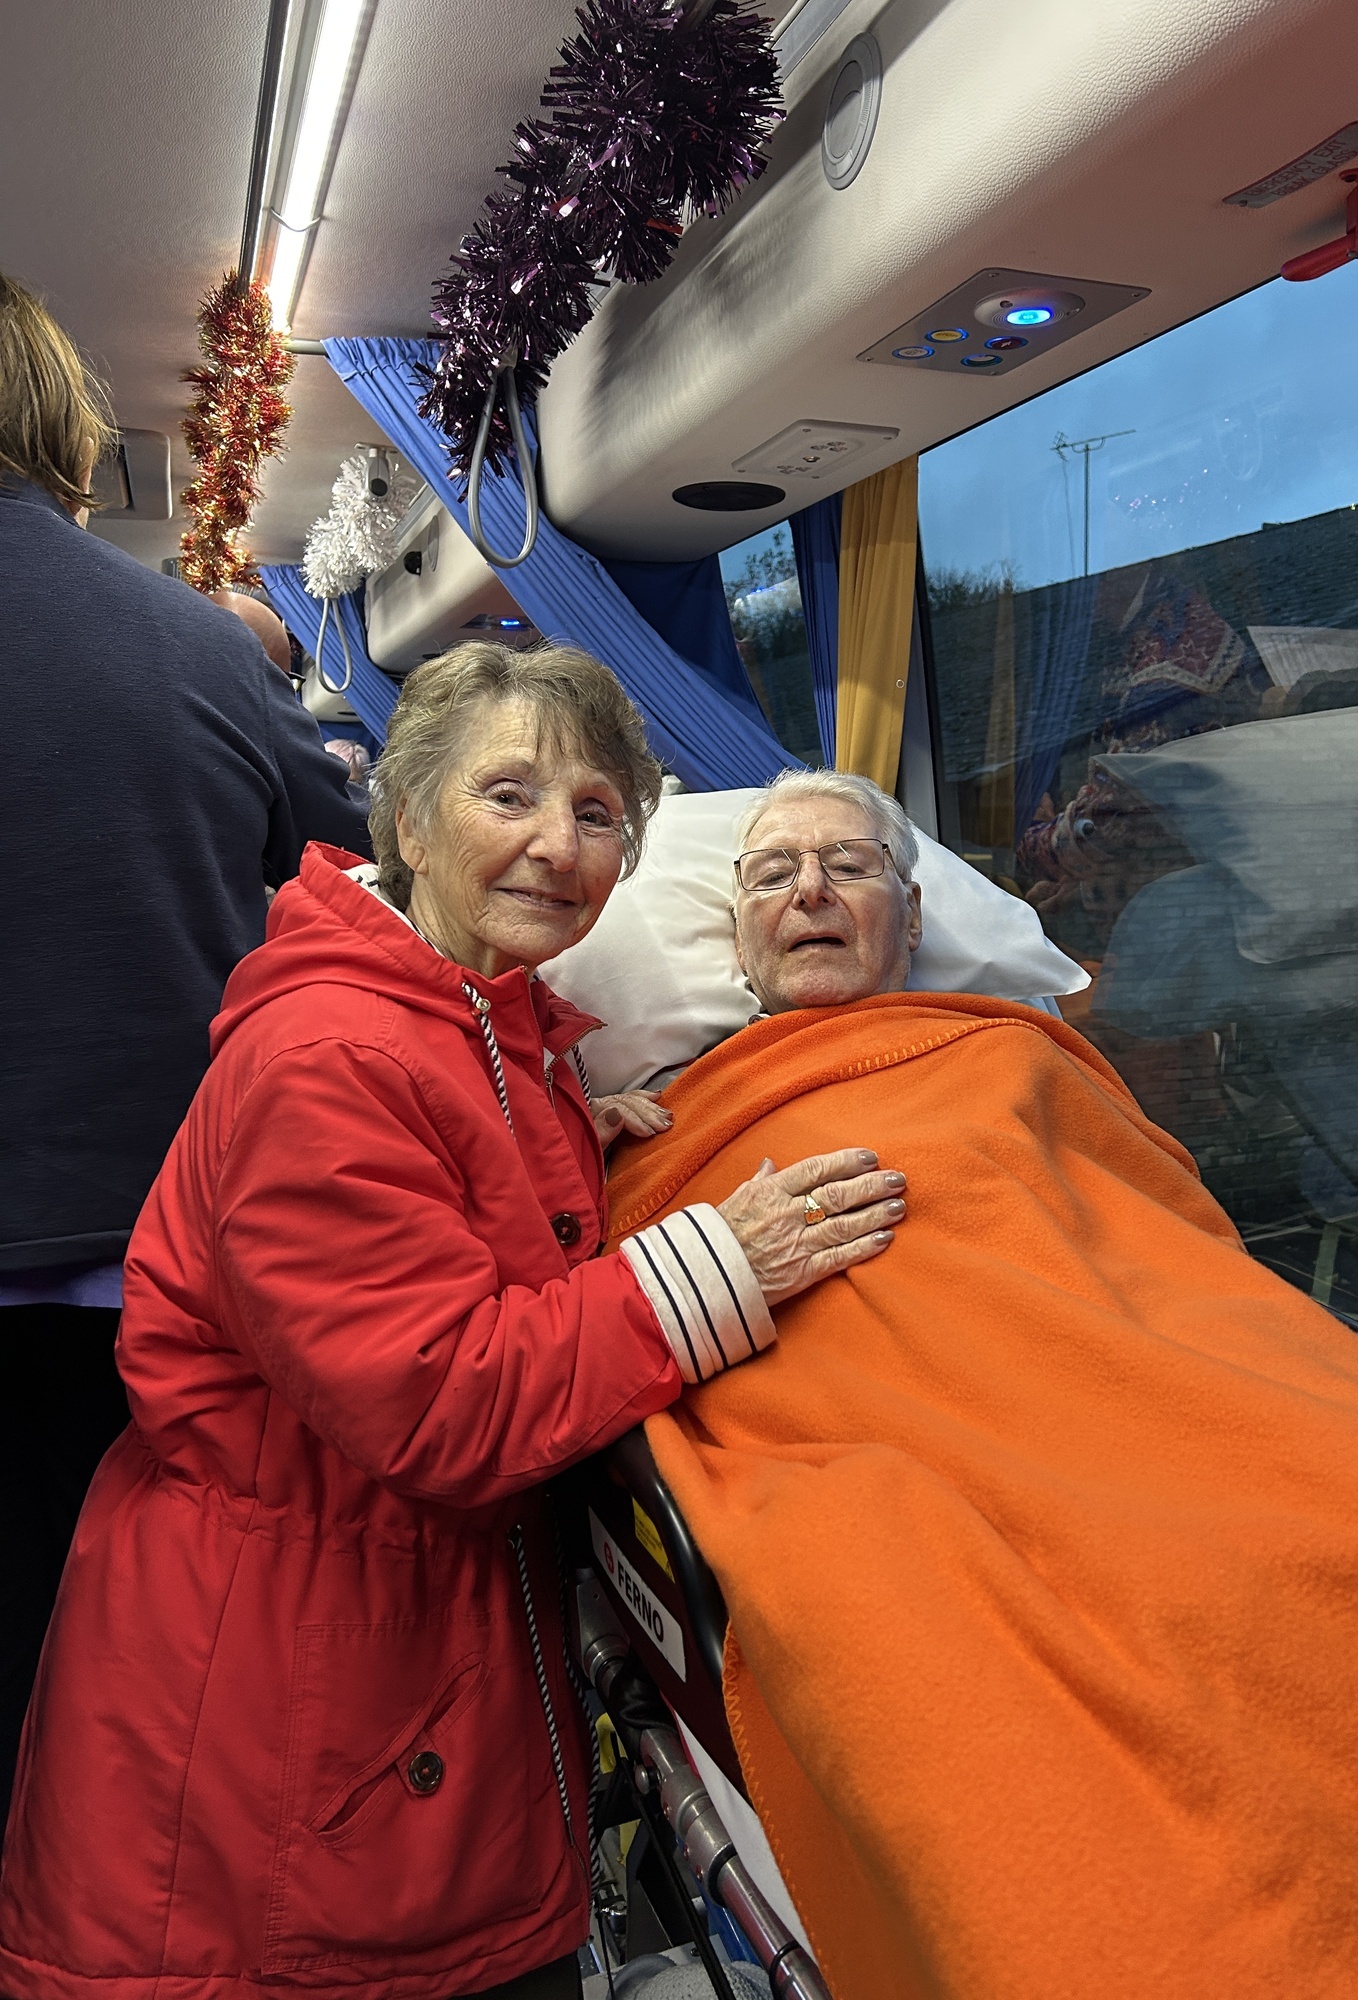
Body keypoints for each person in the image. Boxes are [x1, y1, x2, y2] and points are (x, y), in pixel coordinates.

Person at [0, 642, 907, 2000]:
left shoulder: (493, 1030)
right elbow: (447, 1402)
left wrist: (549, 1126)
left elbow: (448, 1211)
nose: (560, 845)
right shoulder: (329, 1059)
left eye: (600, 814)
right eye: (509, 796)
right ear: (408, 818)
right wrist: (726, 1259)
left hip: (397, 1669)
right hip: (281, 1712)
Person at [603, 767, 1358, 2000]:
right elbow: (603, 1316)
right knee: (988, 1658)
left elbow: (1171, 1233)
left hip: (1150, 1365)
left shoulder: (1012, 1045)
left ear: (912, 923)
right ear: (741, 933)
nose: (810, 887)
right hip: (892, 1416)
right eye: (771, 872)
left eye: (852, 865)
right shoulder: (662, 1120)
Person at [0, 268, 373, 1808]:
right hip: (142, 1301)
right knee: (113, 1740)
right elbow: (361, 895)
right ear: (66, 432)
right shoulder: (209, 652)